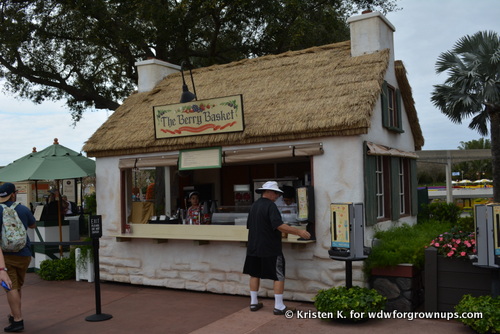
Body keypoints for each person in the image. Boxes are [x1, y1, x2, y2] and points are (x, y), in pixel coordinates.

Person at [243, 181, 311, 315]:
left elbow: (250, 226)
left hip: (253, 246)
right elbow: (278, 225)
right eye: (276, 193)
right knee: (278, 275)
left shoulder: (254, 206)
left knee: (254, 274)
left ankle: (254, 302)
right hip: (270, 248)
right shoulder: (271, 206)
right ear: (268, 192)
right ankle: (279, 306)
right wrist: (299, 232)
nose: (277, 196)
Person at [0, 183, 36, 332]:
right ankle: (14, 313)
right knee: (17, 287)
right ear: (13, 194)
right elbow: (33, 225)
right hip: (24, 255)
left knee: (10, 288)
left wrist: (1, 268)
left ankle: (17, 320)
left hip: (5, 256)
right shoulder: (22, 209)